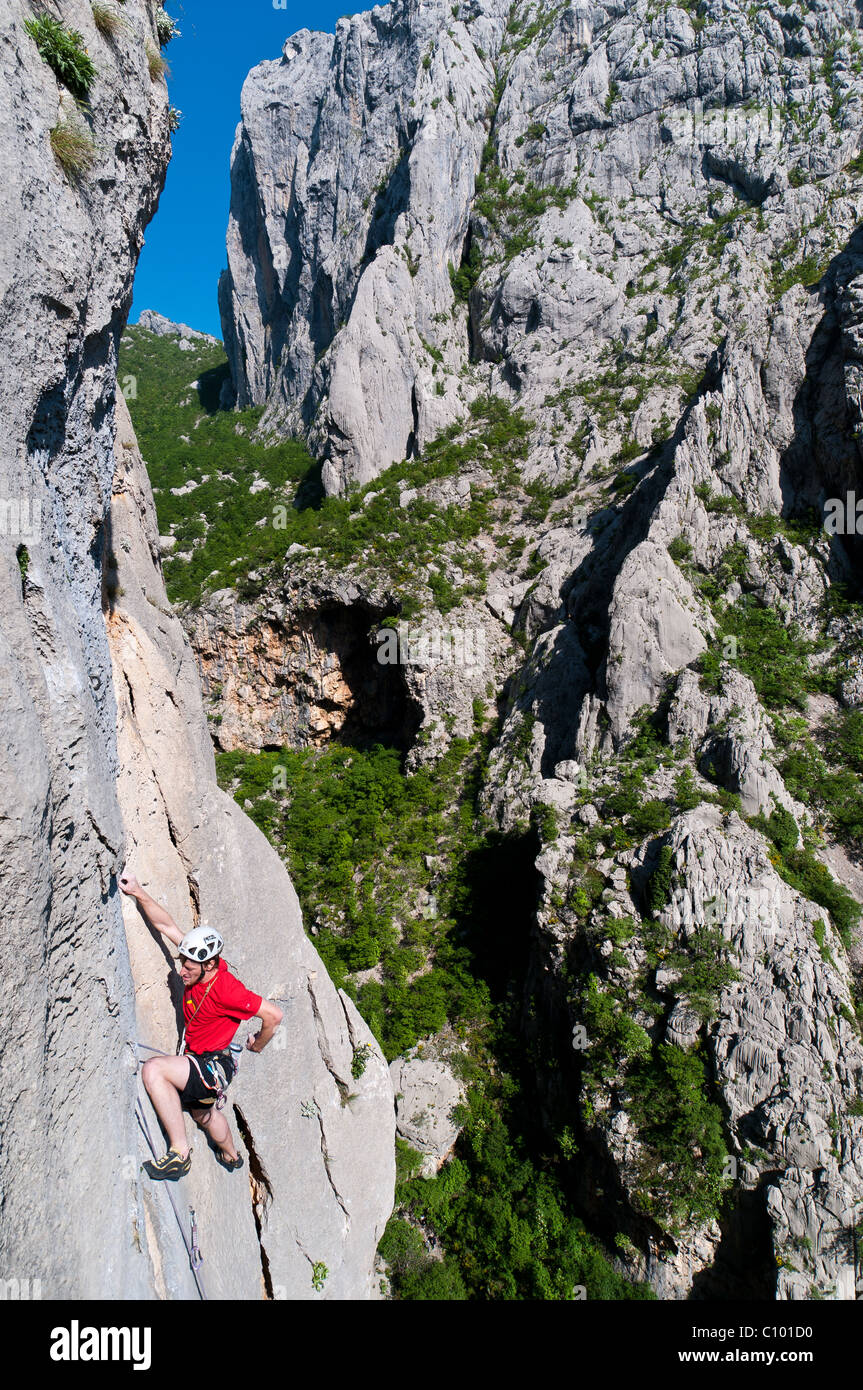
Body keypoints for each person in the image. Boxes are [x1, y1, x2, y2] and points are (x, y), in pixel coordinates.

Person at [119, 871, 284, 1181]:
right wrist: (138, 892)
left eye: (188, 966)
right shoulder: (199, 958)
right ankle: (232, 1155)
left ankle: (179, 1155)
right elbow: (166, 926)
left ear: (209, 964)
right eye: (182, 962)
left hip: (212, 1065)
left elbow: (274, 1015)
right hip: (205, 1063)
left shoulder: (227, 989)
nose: (182, 970)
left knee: (154, 1070)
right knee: (203, 1115)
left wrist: (257, 1045)